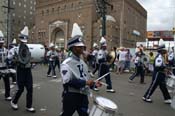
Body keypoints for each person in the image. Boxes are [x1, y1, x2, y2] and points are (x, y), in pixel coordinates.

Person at [60, 23, 101, 116]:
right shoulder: (66, 63)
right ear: (73, 48)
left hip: (83, 96)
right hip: (71, 96)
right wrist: (86, 83)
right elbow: (67, 81)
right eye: (79, 46)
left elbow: (85, 78)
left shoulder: (83, 62)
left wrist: (93, 84)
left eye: (82, 46)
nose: (82, 48)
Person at [10, 26, 35, 112]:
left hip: (28, 70)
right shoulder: (15, 49)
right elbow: (10, 59)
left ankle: (29, 106)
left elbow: (31, 58)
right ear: (19, 39)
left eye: (25, 41)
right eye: (22, 41)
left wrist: (33, 62)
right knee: (20, 89)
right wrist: (14, 60)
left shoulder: (29, 48)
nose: (23, 42)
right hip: (20, 70)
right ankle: (14, 101)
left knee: (30, 88)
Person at [0, 30, 12, 101]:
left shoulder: (6, 50)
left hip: (5, 68)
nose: (1, 44)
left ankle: (7, 95)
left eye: (2, 43)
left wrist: (9, 60)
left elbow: (9, 57)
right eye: (0, 43)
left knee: (7, 83)